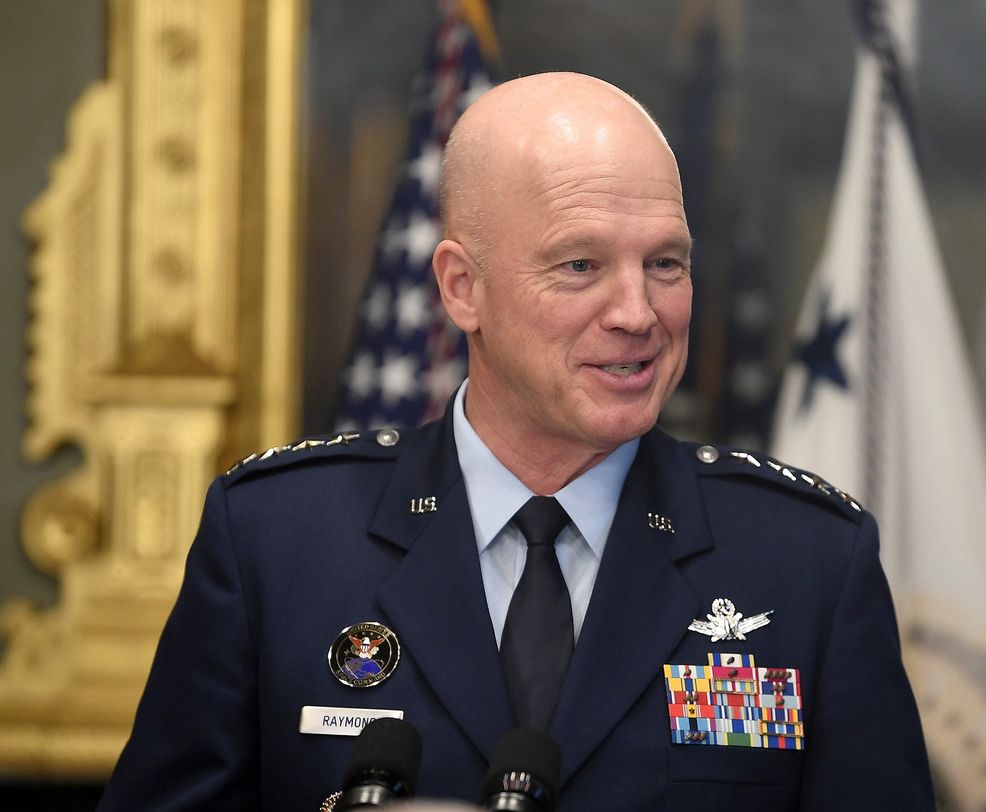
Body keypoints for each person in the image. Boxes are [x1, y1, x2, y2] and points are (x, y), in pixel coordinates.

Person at [97, 72, 933, 811]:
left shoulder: (808, 563)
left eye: (667, 265)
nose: (638, 312)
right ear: (463, 288)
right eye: (580, 266)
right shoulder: (278, 543)